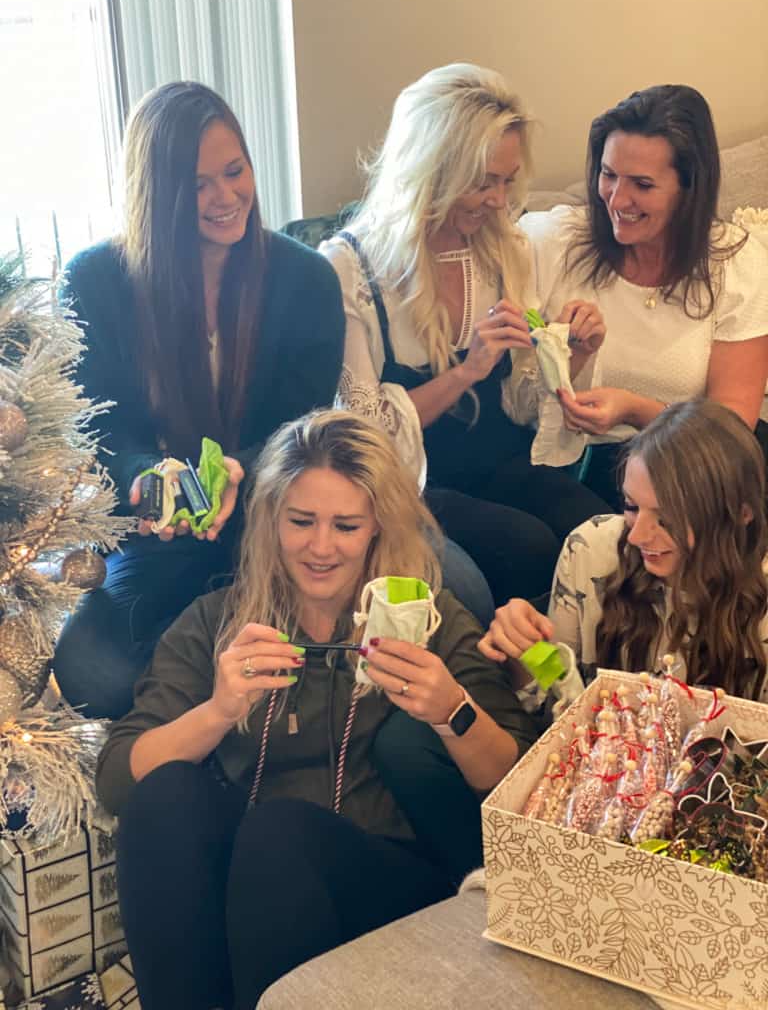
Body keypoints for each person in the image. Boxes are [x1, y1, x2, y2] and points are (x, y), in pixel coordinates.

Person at [96, 409, 538, 1010]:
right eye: (301, 521)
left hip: (378, 870)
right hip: (254, 867)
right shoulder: (217, 620)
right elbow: (121, 778)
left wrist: (452, 710)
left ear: (377, 527)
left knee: (279, 835)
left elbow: (518, 784)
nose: (321, 547)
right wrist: (220, 709)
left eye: (346, 526)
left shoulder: (425, 616)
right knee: (170, 798)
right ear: (270, 520)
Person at [52, 82, 338, 718]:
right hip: (154, 531)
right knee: (92, 672)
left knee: (451, 588)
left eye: (235, 171)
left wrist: (242, 467)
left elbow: (306, 426)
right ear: (158, 196)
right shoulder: (96, 282)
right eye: (198, 184)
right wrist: (143, 478)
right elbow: (94, 428)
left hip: (278, 515)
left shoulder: (306, 279)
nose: (227, 197)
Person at [321, 63, 612, 607]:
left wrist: (568, 358)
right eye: (483, 182)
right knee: (525, 547)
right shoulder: (352, 268)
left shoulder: (507, 249)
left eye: (507, 180)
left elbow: (524, 406)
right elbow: (366, 434)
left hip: (503, 464)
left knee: (596, 532)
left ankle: (595, 684)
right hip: (412, 484)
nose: (500, 201)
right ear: (432, 170)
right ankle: (523, 682)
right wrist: (466, 371)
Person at [520, 84, 768, 509]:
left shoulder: (736, 262)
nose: (617, 199)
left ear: (689, 189)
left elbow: (729, 428)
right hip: (589, 465)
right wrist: (567, 355)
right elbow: (517, 402)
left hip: (702, 460)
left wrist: (636, 410)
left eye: (643, 184)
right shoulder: (552, 243)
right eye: (608, 174)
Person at [480, 399, 768, 703]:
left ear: (741, 514)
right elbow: (560, 700)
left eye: (667, 518)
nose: (637, 535)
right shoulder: (590, 548)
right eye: (631, 506)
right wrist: (526, 653)